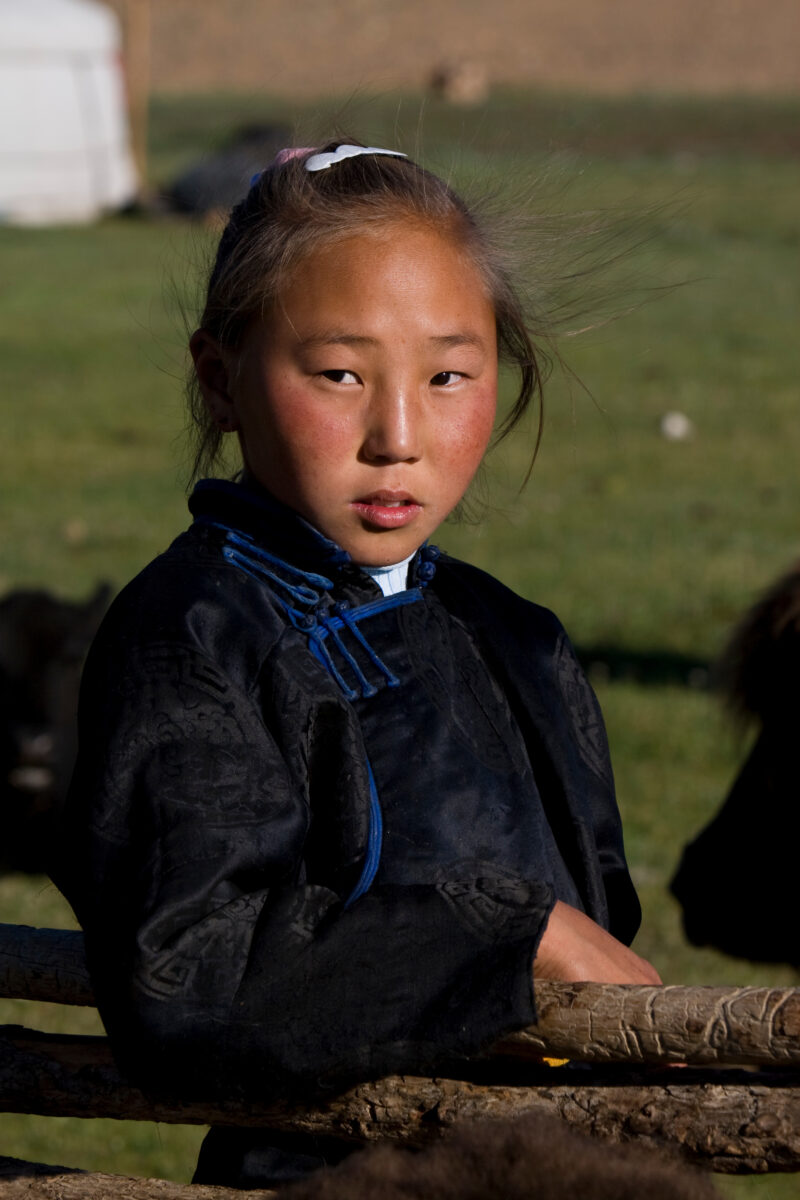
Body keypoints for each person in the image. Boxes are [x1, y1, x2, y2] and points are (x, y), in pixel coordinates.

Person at [52, 141, 659, 1189]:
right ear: (220, 378)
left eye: (448, 376)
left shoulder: (518, 640)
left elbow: (600, 936)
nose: (396, 435)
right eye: (338, 374)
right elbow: (187, 973)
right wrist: (500, 940)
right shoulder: (193, 639)